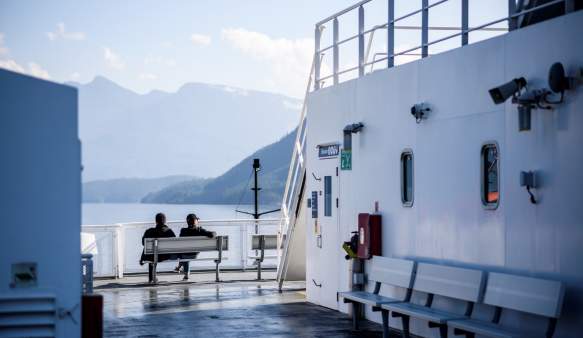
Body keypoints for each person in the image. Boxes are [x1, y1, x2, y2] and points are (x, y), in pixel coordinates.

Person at [140, 212, 176, 283]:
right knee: (153, 254)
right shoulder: (169, 231)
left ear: (156, 221)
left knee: (152, 254)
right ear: (165, 221)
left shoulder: (149, 231)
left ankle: (151, 278)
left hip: (151, 256)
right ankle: (152, 278)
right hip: (165, 256)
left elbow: (143, 243)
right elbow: (174, 243)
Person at [177, 213, 214, 281]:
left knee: (184, 254)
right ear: (195, 221)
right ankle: (182, 269)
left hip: (185, 254)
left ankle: (184, 272)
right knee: (185, 255)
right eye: (197, 220)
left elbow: (180, 242)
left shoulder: (183, 231)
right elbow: (212, 234)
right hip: (194, 254)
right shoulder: (200, 230)